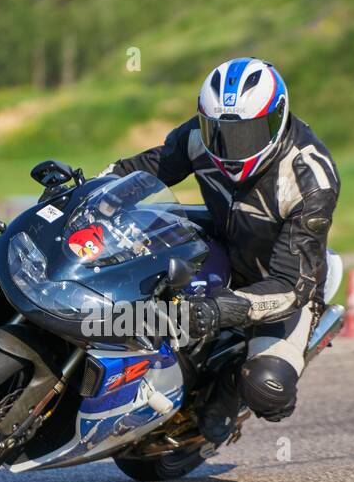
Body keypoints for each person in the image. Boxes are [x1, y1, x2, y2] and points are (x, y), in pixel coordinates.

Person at [101, 57, 340, 443]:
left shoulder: (309, 177)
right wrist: (87, 190)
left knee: (267, 388)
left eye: (246, 134)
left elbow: (292, 286)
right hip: (217, 245)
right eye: (220, 132)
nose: (230, 147)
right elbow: (142, 172)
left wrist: (217, 310)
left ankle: (229, 384)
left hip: (279, 280)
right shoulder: (196, 137)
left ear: (277, 118)